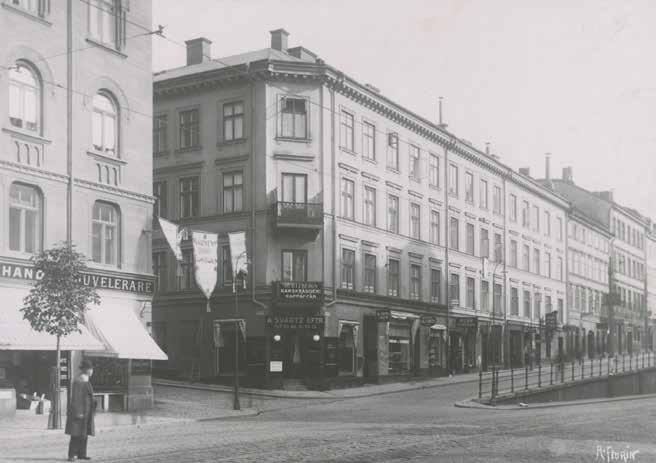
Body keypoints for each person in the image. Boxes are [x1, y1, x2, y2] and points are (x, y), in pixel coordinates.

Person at [65, 359, 95, 461]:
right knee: (76, 433)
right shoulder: (80, 380)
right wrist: (78, 412)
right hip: (80, 411)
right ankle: (71, 455)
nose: (92, 371)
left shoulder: (85, 379)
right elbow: (76, 398)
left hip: (86, 411)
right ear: (86, 370)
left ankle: (82, 453)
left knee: (84, 433)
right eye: (90, 369)